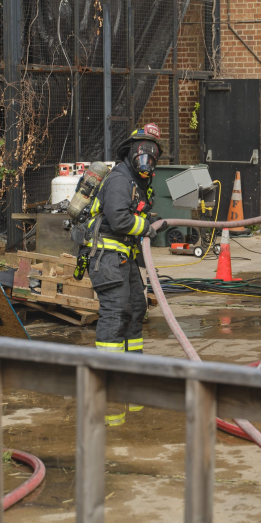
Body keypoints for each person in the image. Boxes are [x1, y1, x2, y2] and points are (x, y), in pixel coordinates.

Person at [85, 123, 165, 352]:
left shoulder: (137, 184)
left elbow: (134, 214)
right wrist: (145, 226)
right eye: (143, 150)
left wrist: (150, 221)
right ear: (131, 152)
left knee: (136, 308)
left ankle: (133, 363)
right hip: (107, 256)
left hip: (123, 256)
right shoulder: (120, 179)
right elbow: (119, 219)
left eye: (153, 152)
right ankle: (109, 372)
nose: (147, 157)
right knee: (116, 311)